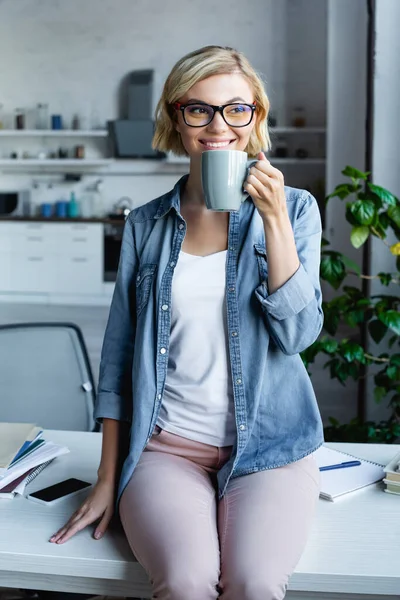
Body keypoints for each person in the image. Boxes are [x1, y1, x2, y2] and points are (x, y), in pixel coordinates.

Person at [51, 45, 324, 600]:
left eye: (235, 109)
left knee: (253, 583)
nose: (218, 125)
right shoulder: (147, 224)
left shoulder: (294, 210)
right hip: (165, 448)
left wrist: (271, 221)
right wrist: (107, 478)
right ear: (177, 119)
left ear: (256, 118)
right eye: (198, 109)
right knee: (185, 580)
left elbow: (298, 334)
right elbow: (119, 357)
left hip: (269, 448)